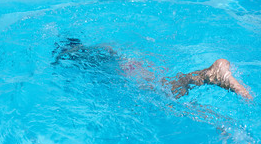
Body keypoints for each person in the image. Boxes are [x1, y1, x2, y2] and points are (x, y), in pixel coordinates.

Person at [53, 38, 252, 100]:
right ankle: (209, 74)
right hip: (135, 66)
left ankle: (212, 73)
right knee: (168, 85)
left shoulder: (93, 60)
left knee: (164, 90)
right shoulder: (107, 51)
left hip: (131, 72)